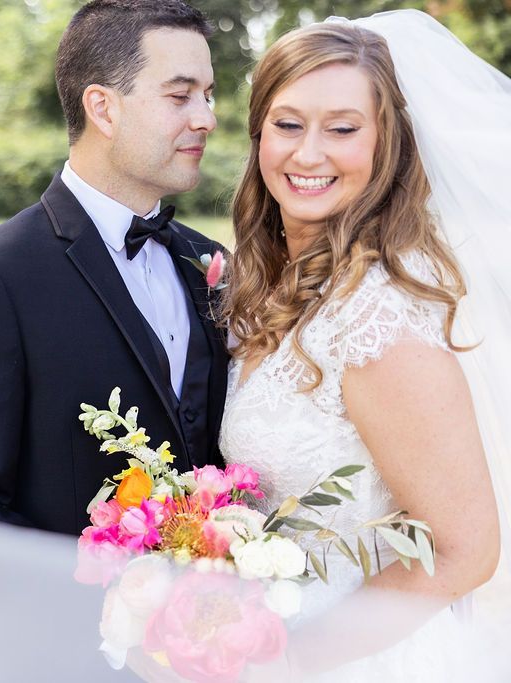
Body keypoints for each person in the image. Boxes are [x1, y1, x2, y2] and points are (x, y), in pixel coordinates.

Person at [219, 11, 508, 679]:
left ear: (386, 144)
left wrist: (289, 658)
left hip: (356, 656)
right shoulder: (267, 284)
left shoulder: (376, 316)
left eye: (343, 129)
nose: (308, 153)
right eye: (288, 124)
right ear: (260, 132)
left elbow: (466, 549)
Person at [0, 0, 229, 536]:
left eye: (208, 95)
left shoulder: (209, 260)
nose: (207, 118)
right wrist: (117, 612)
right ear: (103, 108)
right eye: (180, 96)